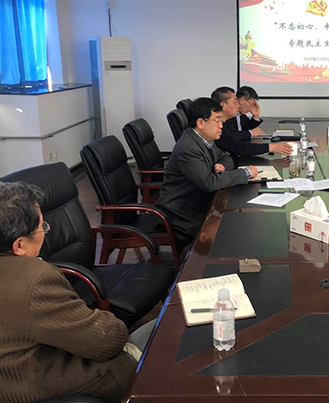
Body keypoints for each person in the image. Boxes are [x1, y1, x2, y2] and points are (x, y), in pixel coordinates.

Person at [0, 182, 137, 402]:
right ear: (20, 245)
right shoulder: (35, 280)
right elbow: (106, 341)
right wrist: (110, 323)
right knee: (155, 348)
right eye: (42, 227)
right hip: (29, 384)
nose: (45, 232)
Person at [157, 98, 258, 247]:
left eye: (221, 120)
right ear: (200, 123)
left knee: (240, 222)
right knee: (236, 231)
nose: (221, 125)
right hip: (182, 213)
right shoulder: (189, 148)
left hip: (199, 202)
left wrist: (222, 166)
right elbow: (209, 182)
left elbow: (226, 157)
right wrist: (245, 173)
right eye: (217, 120)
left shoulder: (204, 139)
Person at [211, 86, 293, 156]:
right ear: (223, 105)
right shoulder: (215, 126)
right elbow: (238, 147)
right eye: (235, 102)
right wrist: (272, 147)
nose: (238, 105)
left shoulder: (224, 122)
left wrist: (256, 116)